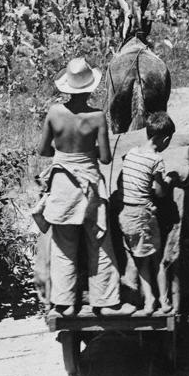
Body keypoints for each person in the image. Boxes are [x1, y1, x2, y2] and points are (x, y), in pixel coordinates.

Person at [34, 57, 134, 317]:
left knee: (64, 245)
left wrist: (64, 152)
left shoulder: (55, 113)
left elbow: (44, 150)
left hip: (62, 186)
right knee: (99, 243)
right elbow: (105, 159)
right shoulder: (97, 117)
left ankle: (65, 302)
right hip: (89, 184)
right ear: (90, 89)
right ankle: (104, 299)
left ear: (66, 88)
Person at [119, 111, 176, 316]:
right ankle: (165, 301)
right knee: (158, 259)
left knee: (140, 259)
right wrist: (169, 180)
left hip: (126, 215)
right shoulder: (156, 160)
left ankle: (149, 300)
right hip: (143, 214)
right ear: (166, 139)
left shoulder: (132, 153)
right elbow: (160, 192)